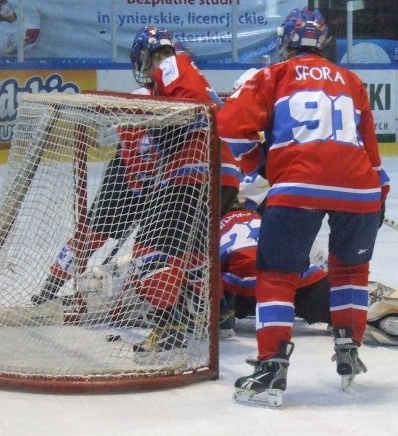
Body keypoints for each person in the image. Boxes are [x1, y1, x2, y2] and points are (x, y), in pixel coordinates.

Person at [216, 8, 389, 406]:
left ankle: (271, 368)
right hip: (360, 187)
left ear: (286, 43)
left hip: (298, 184)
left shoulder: (273, 75)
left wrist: (258, 163)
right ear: (324, 42)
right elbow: (371, 150)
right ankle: (349, 350)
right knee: (351, 270)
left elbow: (227, 125)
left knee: (276, 274)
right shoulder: (352, 80)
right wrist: (379, 192)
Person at [125, 26, 241, 359]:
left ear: (150, 56)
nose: (145, 68)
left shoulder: (171, 67)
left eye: (144, 60)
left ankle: (170, 328)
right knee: (195, 253)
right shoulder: (190, 73)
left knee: (151, 249)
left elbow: (186, 113)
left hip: (194, 174)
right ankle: (219, 315)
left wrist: (158, 132)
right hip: (225, 176)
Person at [218, 202, 398, 346]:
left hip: (242, 290)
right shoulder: (269, 220)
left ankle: (222, 316)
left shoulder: (212, 226)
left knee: (228, 285)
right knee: (339, 301)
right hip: (296, 280)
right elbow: (316, 258)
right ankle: (382, 313)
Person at [30, 85, 158, 306]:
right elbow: (131, 151)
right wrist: (140, 183)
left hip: (159, 183)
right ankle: (51, 286)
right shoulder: (141, 98)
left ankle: (154, 297)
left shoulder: (177, 98)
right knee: (91, 236)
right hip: (124, 181)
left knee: (156, 244)